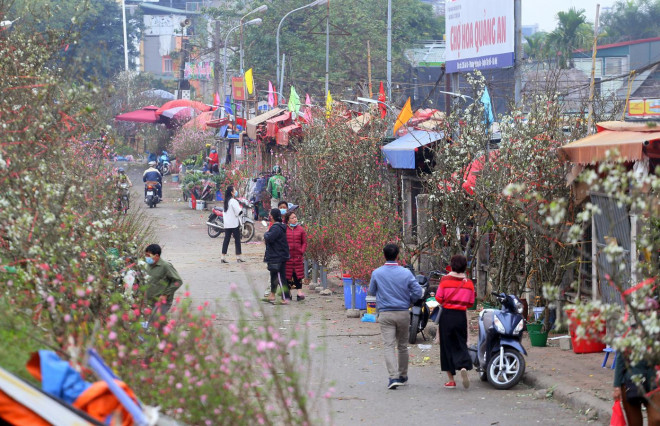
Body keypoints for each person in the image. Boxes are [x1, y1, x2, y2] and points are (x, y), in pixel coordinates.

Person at [368, 244, 423, 390]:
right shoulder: (405, 273)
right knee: (403, 346)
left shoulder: (377, 273)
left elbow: (371, 291)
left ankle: (393, 377)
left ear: (384, 255)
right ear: (398, 256)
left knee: (388, 345)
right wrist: (410, 300)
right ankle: (403, 375)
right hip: (403, 312)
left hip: (386, 313)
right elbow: (418, 291)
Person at [435, 254, 476, 390]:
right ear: (465, 267)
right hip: (460, 316)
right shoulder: (469, 283)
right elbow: (470, 303)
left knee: (446, 346)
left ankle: (451, 380)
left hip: (446, 316)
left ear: (451, 265)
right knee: (461, 343)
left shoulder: (445, 280)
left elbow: (439, 298)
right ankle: (463, 366)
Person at [144, 244, 182, 328]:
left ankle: (164, 339)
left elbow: (178, 281)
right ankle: (166, 340)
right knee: (160, 324)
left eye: (148, 255)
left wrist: (165, 294)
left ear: (156, 255)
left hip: (162, 302)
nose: (146, 258)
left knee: (154, 323)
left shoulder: (165, 266)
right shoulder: (148, 266)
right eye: (145, 255)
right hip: (151, 300)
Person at [264, 209, 290, 304]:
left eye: (270, 214)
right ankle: (272, 294)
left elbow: (269, 238)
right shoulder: (279, 226)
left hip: (277, 256)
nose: (269, 216)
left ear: (273, 216)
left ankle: (285, 297)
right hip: (277, 255)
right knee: (273, 276)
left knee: (280, 277)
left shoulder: (276, 228)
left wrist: (265, 234)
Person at [284, 211, 307, 301]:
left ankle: (299, 292)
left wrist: (302, 250)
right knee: (287, 274)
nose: (295, 219)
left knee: (298, 274)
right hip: (287, 256)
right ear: (288, 220)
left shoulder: (300, 229)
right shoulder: (284, 229)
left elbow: (304, 242)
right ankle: (288, 293)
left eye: (295, 217)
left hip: (297, 256)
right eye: (292, 218)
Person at [221, 185, 245, 264]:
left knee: (226, 240)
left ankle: (223, 256)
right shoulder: (233, 201)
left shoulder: (226, 201)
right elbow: (238, 212)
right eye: (234, 190)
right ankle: (238, 257)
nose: (235, 191)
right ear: (231, 192)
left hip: (227, 224)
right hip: (234, 224)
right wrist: (242, 211)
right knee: (237, 240)